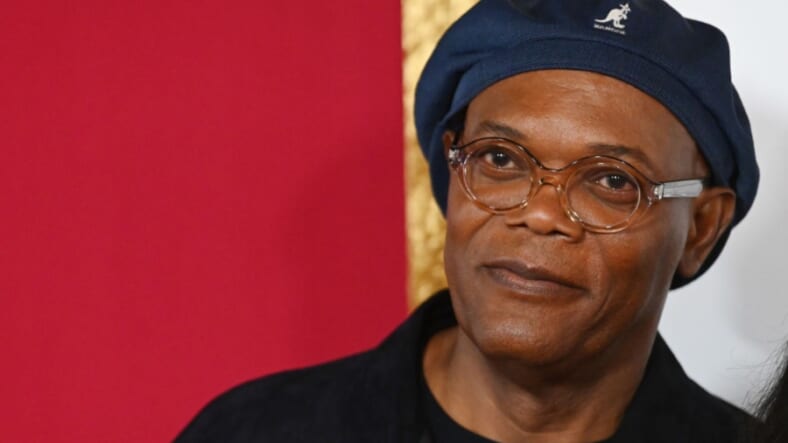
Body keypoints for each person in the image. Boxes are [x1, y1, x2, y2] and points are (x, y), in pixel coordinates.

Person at [176, 0, 760, 441]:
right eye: (500, 160)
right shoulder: (254, 431)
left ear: (701, 227)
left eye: (611, 181)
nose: (540, 214)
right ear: (453, 172)